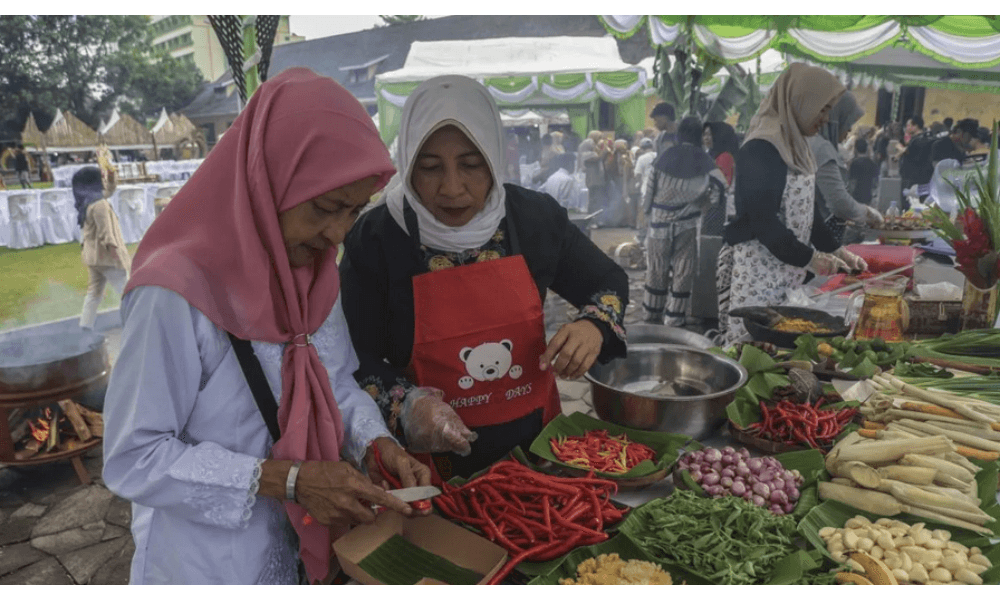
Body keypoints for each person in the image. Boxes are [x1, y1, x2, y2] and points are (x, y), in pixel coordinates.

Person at [101, 68, 430, 585]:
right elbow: (134, 455)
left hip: (301, 548)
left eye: (353, 211)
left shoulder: (310, 270)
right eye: (325, 208)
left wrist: (374, 442)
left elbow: (334, 380)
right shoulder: (174, 292)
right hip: (208, 565)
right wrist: (289, 480)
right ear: (266, 180)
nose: (337, 234)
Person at [339, 75, 629, 481]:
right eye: (430, 168)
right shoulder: (376, 238)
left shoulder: (534, 218)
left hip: (537, 450)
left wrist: (594, 324)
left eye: (472, 165)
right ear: (407, 162)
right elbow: (352, 358)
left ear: (494, 157)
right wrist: (403, 403)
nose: (452, 187)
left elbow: (608, 280)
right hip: (427, 466)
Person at [722, 63, 869, 343]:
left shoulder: (797, 145)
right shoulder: (761, 148)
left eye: (829, 110)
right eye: (822, 108)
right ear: (800, 100)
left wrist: (838, 251)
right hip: (759, 275)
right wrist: (811, 258)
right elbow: (763, 221)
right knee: (753, 349)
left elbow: (806, 212)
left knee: (784, 348)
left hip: (788, 272)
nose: (826, 118)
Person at [642, 115, 726, 326]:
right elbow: (721, 187)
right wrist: (704, 205)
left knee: (656, 270)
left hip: (659, 225)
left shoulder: (664, 156)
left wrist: (647, 212)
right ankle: (674, 319)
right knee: (683, 271)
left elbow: (648, 190)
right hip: (687, 226)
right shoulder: (704, 159)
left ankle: (652, 315)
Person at [806, 91, 884, 244]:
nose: (849, 130)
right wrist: (868, 213)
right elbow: (839, 203)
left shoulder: (809, 142)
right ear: (836, 119)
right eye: (848, 122)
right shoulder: (821, 147)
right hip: (817, 237)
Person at [74, 167, 130, 330]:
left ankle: (85, 325)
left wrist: (112, 176)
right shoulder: (100, 204)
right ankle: (134, 323)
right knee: (126, 292)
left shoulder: (88, 200)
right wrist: (116, 255)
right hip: (106, 257)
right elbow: (106, 232)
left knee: (94, 293)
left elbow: (109, 190)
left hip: (92, 257)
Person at [900, 115, 935, 206]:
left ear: (915, 126)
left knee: (910, 203)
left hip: (912, 178)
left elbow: (911, 157)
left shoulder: (917, 141)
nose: (906, 128)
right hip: (923, 178)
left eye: (908, 125)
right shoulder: (927, 139)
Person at [632, 137, 657, 236]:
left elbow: (637, 175)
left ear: (642, 148)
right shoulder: (658, 155)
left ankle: (643, 235)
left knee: (644, 211)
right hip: (658, 187)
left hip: (646, 188)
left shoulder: (641, 158)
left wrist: (637, 184)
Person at [848, 138, 880, 207]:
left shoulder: (854, 163)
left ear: (855, 149)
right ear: (866, 148)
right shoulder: (872, 163)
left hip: (856, 198)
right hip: (868, 198)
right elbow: (875, 183)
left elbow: (852, 183)